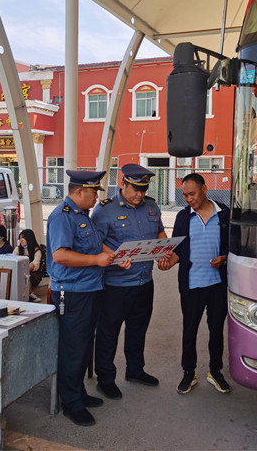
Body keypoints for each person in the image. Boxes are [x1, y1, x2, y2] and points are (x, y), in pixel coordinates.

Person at [46, 170, 130, 427]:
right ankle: (71, 403)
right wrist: (96, 260)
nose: (96, 198)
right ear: (80, 191)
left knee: (83, 346)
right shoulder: (62, 216)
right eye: (93, 193)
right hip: (71, 292)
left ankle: (78, 392)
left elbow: (96, 245)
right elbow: (60, 255)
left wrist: (116, 257)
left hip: (90, 288)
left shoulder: (82, 215)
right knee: (72, 348)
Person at [91, 164, 166, 400]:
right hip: (116, 284)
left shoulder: (151, 206)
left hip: (144, 281)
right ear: (123, 183)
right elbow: (94, 242)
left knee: (138, 329)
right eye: (136, 189)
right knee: (108, 333)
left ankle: (135, 370)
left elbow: (159, 232)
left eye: (144, 190)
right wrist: (114, 257)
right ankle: (105, 379)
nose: (140, 195)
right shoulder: (105, 210)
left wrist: (164, 250)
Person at [158, 173, 231, 395]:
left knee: (216, 331)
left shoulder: (224, 214)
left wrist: (224, 258)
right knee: (189, 332)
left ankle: (215, 372)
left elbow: (233, 245)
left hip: (217, 285)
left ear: (204, 189)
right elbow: (178, 250)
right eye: (185, 195)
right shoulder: (183, 217)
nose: (189, 199)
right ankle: (188, 372)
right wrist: (168, 262)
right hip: (191, 285)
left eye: (192, 194)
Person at [13, 228, 43, 302]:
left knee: (27, 275)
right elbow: (13, 260)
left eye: (23, 238)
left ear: (29, 238)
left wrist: (23, 271)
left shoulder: (36, 250)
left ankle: (29, 294)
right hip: (19, 272)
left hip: (34, 275)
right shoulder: (17, 249)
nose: (21, 240)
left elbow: (35, 265)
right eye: (20, 238)